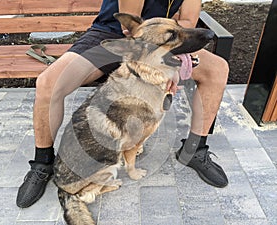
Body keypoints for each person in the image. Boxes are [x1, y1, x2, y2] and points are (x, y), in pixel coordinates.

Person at [16, 0, 229, 208]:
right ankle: (42, 163)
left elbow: (189, 21)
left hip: (165, 40)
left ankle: (194, 150)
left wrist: (172, 62)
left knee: (218, 70)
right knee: (48, 84)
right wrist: (165, 64)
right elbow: (131, 29)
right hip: (111, 36)